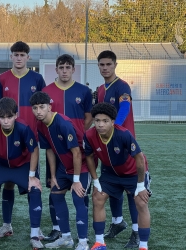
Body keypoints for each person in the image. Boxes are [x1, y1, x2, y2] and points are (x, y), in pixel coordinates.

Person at [0, 41, 46, 239]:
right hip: (7, 137)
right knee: (8, 182)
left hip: (30, 138)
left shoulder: (37, 78)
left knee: (34, 183)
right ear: (11, 57)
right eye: (15, 54)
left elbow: (42, 107)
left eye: (22, 54)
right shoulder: (2, 79)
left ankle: (36, 228)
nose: (18, 58)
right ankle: (6, 224)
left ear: (28, 57)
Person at [0, 97, 43, 249]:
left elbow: (34, 150)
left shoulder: (23, 127)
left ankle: (35, 235)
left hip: (21, 164)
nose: (5, 121)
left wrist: (32, 176)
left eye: (9, 117)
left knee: (35, 189)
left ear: (15, 115)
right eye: (2, 117)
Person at [83, 102, 151, 250]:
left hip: (133, 173)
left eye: (105, 121)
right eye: (97, 120)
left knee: (141, 202)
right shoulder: (89, 135)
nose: (100, 124)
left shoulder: (124, 134)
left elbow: (139, 159)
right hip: (110, 174)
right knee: (98, 197)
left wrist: (140, 185)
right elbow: (88, 156)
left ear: (112, 122)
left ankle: (143, 246)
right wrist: (95, 180)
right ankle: (99, 243)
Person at [41, 54, 93, 241]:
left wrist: (78, 133)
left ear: (73, 69)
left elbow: (89, 117)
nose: (64, 71)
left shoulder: (84, 91)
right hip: (55, 150)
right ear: (56, 70)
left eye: (67, 67)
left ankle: (82, 232)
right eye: (61, 67)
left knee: (81, 191)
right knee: (54, 187)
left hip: (77, 149)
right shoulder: (46, 91)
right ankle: (58, 229)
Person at [30, 91, 90, 250]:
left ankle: (83, 242)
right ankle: (66, 238)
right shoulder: (40, 124)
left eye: (42, 107)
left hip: (81, 166)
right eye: (35, 108)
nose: (38, 111)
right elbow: (49, 150)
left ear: (49, 107)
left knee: (78, 200)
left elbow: (77, 153)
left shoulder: (63, 123)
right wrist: (54, 175)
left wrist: (76, 180)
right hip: (63, 168)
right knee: (56, 195)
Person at [97, 50, 139, 247]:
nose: (105, 68)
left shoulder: (122, 86)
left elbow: (124, 108)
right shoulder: (99, 89)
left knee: (132, 191)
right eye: (101, 65)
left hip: (123, 145)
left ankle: (137, 232)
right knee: (111, 187)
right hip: (105, 145)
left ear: (115, 65)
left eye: (108, 64)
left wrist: (115, 128)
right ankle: (117, 222)